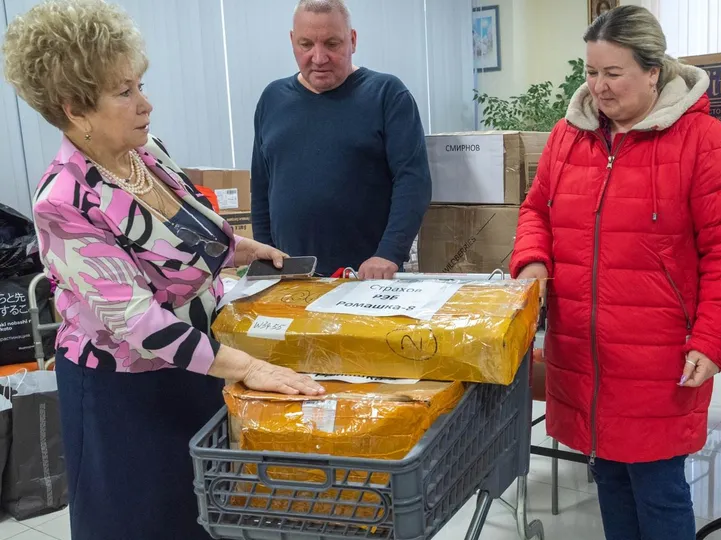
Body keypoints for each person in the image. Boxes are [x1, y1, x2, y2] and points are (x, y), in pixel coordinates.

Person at [1, 2, 325, 539]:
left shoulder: (145, 152)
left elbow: (191, 233)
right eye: (124, 92)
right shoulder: (65, 201)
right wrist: (248, 367)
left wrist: (246, 250)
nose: (145, 103)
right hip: (126, 389)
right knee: (145, 519)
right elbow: (138, 322)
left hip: (201, 362)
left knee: (207, 511)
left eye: (140, 85)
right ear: (76, 109)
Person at [511, 6, 721, 539]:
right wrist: (532, 260)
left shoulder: (700, 139)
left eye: (613, 73)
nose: (598, 87)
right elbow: (535, 211)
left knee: (657, 485)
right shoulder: (568, 136)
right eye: (591, 72)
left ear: (653, 72)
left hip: (659, 356)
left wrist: (712, 340)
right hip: (584, 350)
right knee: (608, 476)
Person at [251, 0, 431, 279]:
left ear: (353, 40)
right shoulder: (272, 99)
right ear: (292, 41)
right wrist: (265, 255)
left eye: (332, 44)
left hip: (366, 278)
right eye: (306, 44)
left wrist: (389, 253)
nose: (318, 57)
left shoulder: (387, 95)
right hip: (290, 278)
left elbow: (413, 180)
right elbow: (262, 187)